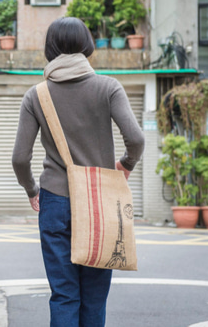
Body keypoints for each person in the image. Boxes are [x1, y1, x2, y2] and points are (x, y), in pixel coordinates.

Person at [12, 17, 145, 327]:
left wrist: (32, 190)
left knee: (64, 294)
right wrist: (125, 165)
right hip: (101, 203)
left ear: (50, 48)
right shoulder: (108, 87)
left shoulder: (37, 95)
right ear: (87, 45)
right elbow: (136, 139)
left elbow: (20, 158)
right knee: (95, 297)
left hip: (55, 201)